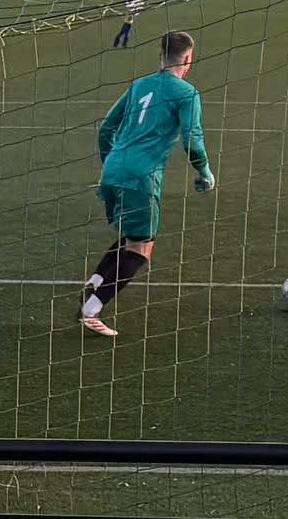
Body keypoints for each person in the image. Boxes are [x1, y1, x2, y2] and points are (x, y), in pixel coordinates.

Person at [81, 30, 214, 337]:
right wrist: (204, 172)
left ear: (162, 56)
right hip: (141, 176)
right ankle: (92, 309)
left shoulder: (139, 84)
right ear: (188, 60)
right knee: (142, 248)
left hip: (112, 169)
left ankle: (97, 282)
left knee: (131, 235)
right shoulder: (186, 93)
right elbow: (192, 140)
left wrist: (113, 167)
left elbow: (105, 129)